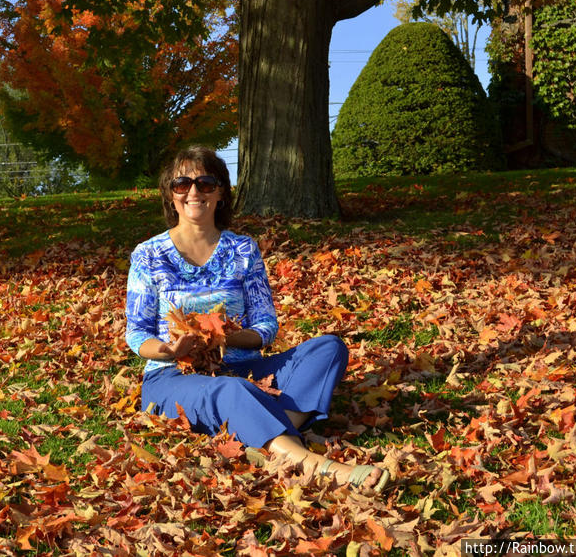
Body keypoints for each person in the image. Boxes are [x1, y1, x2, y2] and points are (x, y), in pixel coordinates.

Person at [124, 146, 390, 494]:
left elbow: (266, 327)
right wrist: (168, 350)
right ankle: (317, 465)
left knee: (328, 348)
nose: (193, 192)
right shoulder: (148, 254)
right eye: (182, 184)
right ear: (169, 194)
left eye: (205, 183)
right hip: (173, 377)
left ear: (220, 193)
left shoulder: (242, 249)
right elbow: (136, 332)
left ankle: (263, 437)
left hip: (244, 368)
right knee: (233, 389)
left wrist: (225, 338)